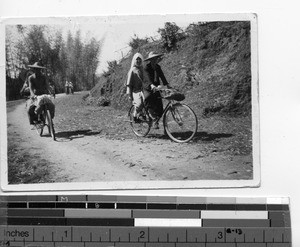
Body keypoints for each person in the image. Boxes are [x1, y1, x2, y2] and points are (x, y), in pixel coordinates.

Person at [144, 51, 170, 129]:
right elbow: (147, 78)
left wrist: (167, 85)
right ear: (150, 60)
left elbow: (162, 76)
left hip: (156, 87)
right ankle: (151, 116)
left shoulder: (158, 67)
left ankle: (156, 120)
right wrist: (151, 85)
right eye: (153, 59)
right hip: (147, 86)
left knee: (159, 105)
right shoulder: (146, 67)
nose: (155, 60)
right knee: (148, 98)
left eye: (156, 58)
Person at [126, 53, 145, 123]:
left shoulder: (143, 69)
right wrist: (129, 95)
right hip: (135, 91)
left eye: (140, 59)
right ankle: (135, 116)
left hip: (143, 90)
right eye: (137, 59)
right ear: (134, 61)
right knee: (139, 104)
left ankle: (144, 114)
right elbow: (129, 84)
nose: (138, 61)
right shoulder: (132, 70)